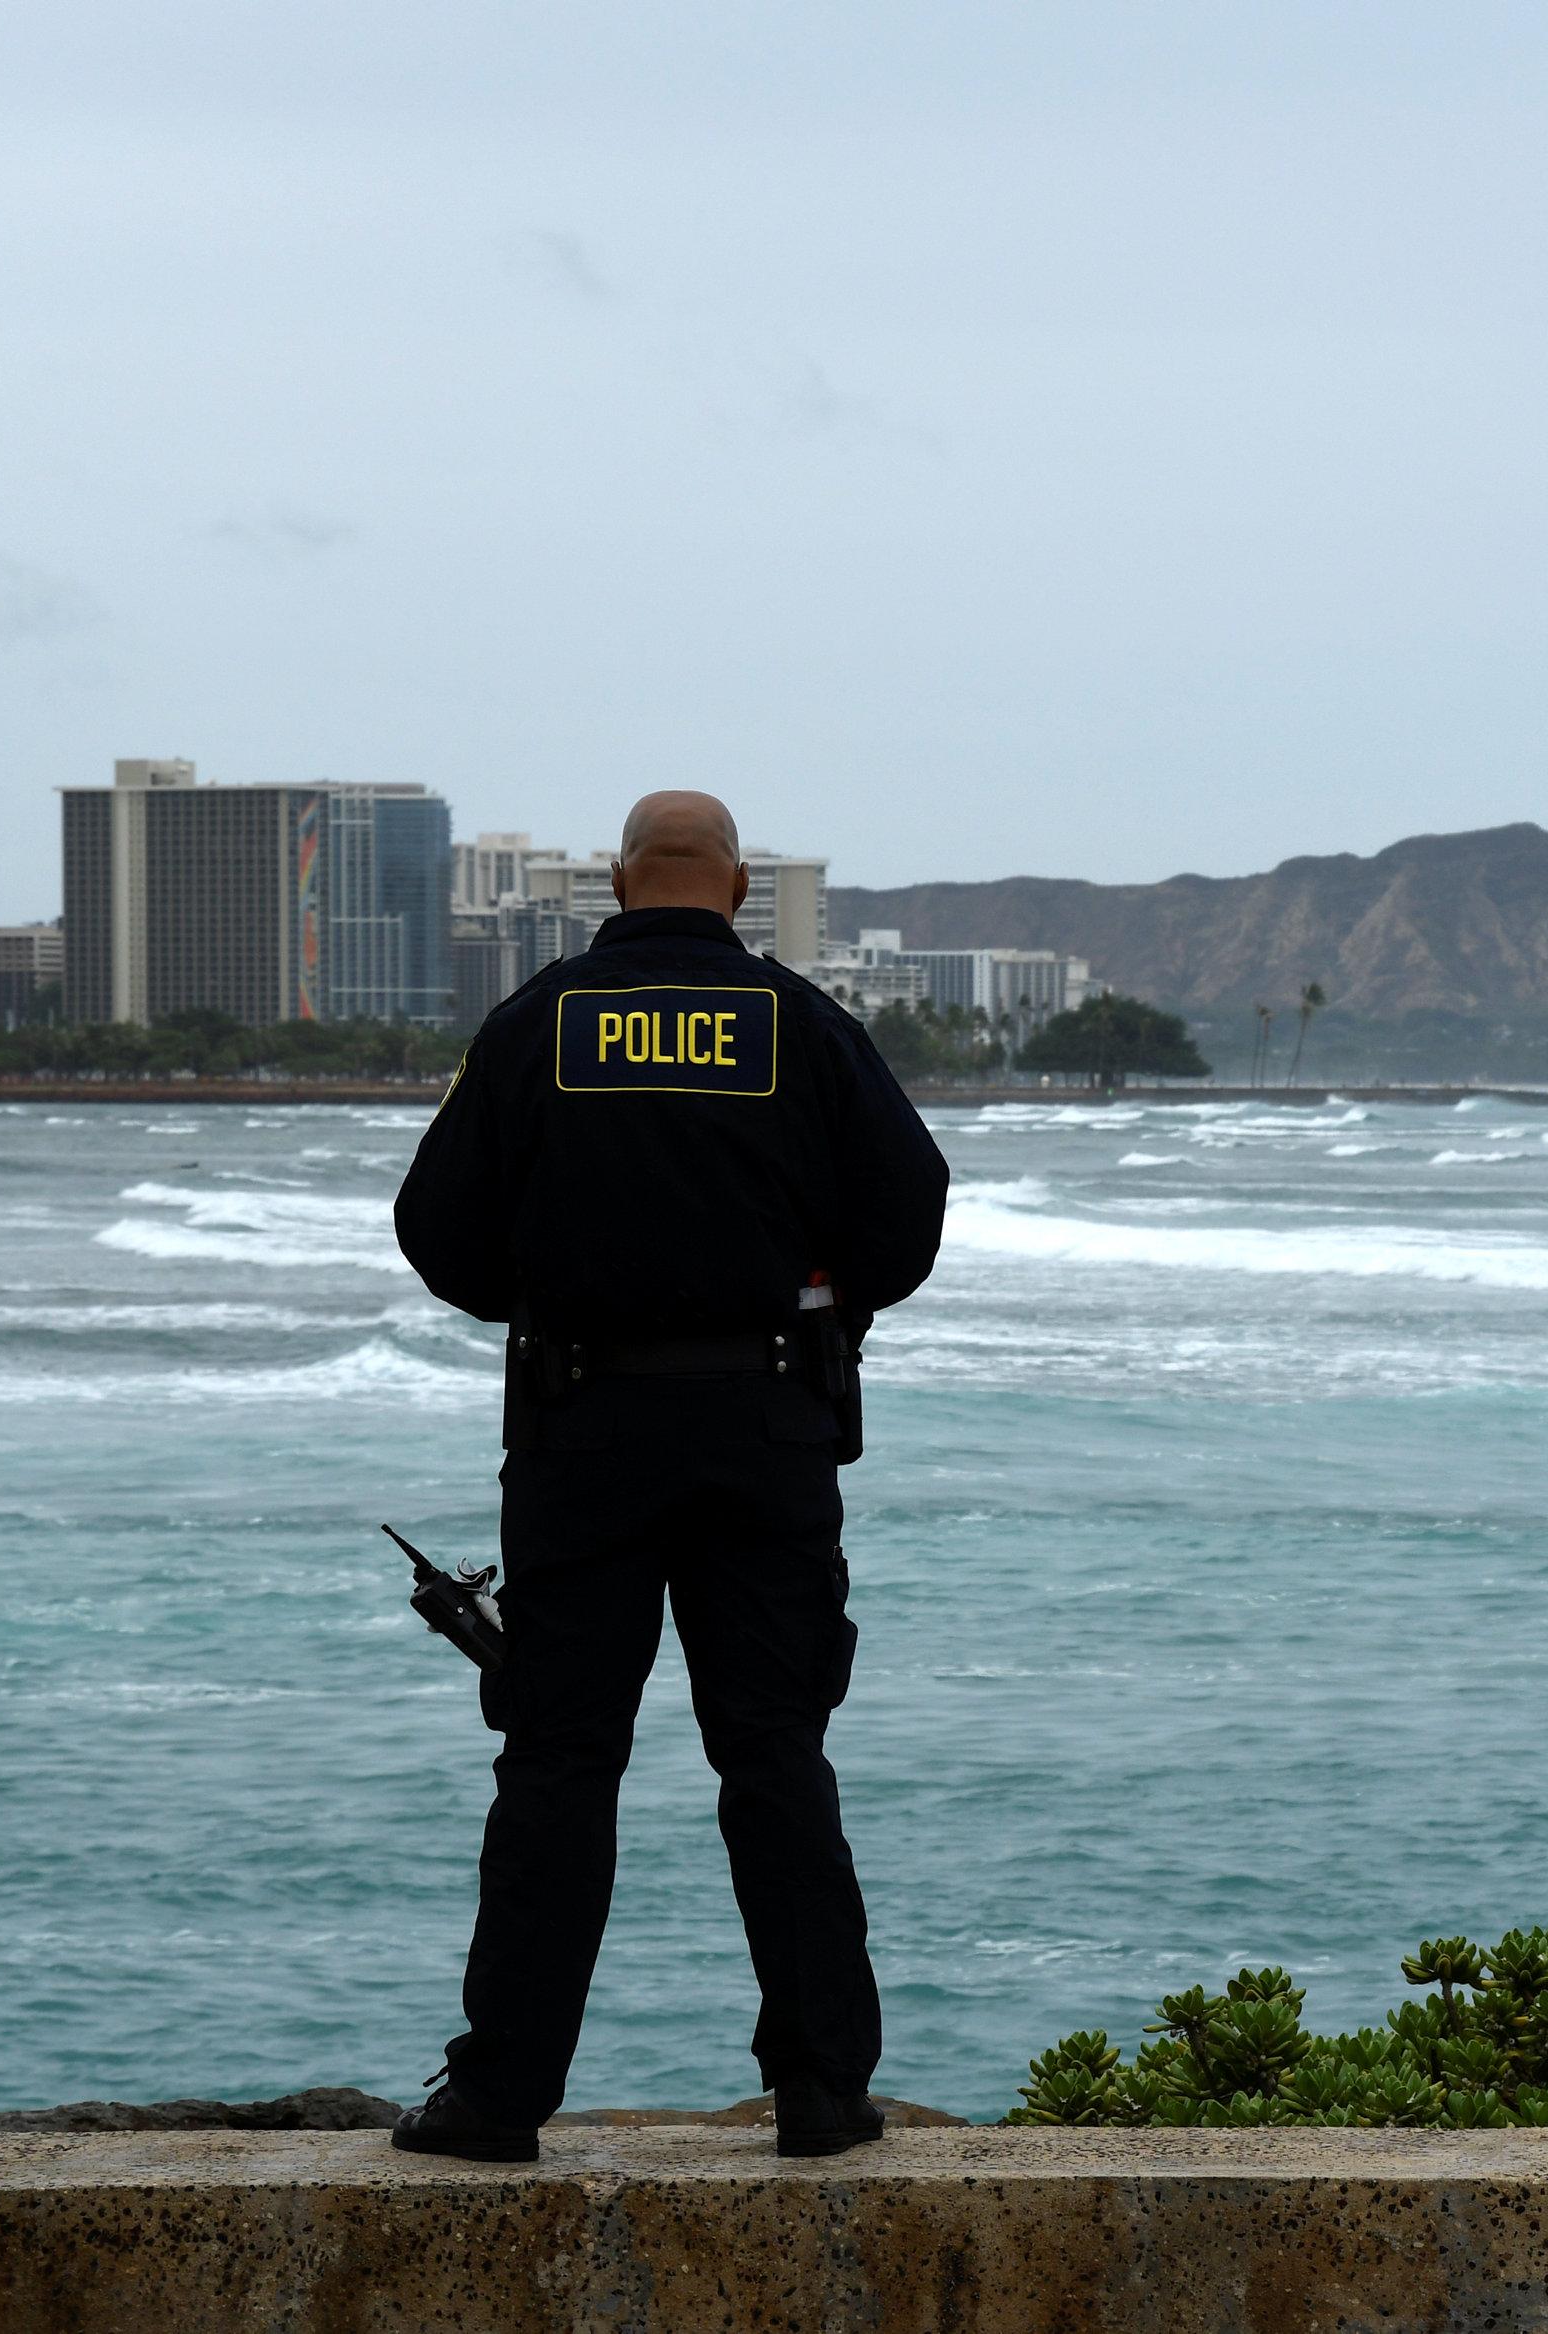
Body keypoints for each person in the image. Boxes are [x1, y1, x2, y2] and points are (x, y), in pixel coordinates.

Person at [385, 790, 948, 2162]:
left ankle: (500, 2096)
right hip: (767, 1428)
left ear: (620, 885)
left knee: (560, 1760)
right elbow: (910, 1205)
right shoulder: (805, 1028)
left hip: (583, 1434)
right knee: (775, 1753)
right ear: (740, 887)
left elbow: (434, 1224)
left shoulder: (538, 1026)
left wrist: (553, 1301)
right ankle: (820, 2087)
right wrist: (821, 1310)